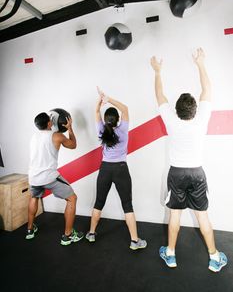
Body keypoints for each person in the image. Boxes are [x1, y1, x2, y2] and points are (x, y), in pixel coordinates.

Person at [150, 48, 227, 272]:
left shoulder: (171, 120)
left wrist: (157, 72)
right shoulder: (201, 119)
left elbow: (160, 95)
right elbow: (207, 89)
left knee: (175, 215)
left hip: (177, 173)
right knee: (202, 216)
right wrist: (200, 63)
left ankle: (171, 255)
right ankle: (214, 258)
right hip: (196, 173)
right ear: (194, 110)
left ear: (177, 110)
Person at [85, 88, 147, 250]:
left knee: (99, 202)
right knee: (127, 205)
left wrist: (100, 101)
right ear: (118, 119)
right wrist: (108, 99)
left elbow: (96, 110)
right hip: (121, 169)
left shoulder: (101, 130)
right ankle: (135, 241)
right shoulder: (123, 130)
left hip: (105, 169)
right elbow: (125, 108)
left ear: (106, 121)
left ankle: (91, 233)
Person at [26, 112, 84, 246]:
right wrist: (70, 128)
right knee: (72, 198)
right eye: (50, 120)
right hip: (49, 177)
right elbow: (73, 145)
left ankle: (30, 230)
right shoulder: (57, 136)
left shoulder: (34, 137)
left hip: (33, 177)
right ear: (48, 123)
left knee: (34, 198)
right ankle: (67, 236)